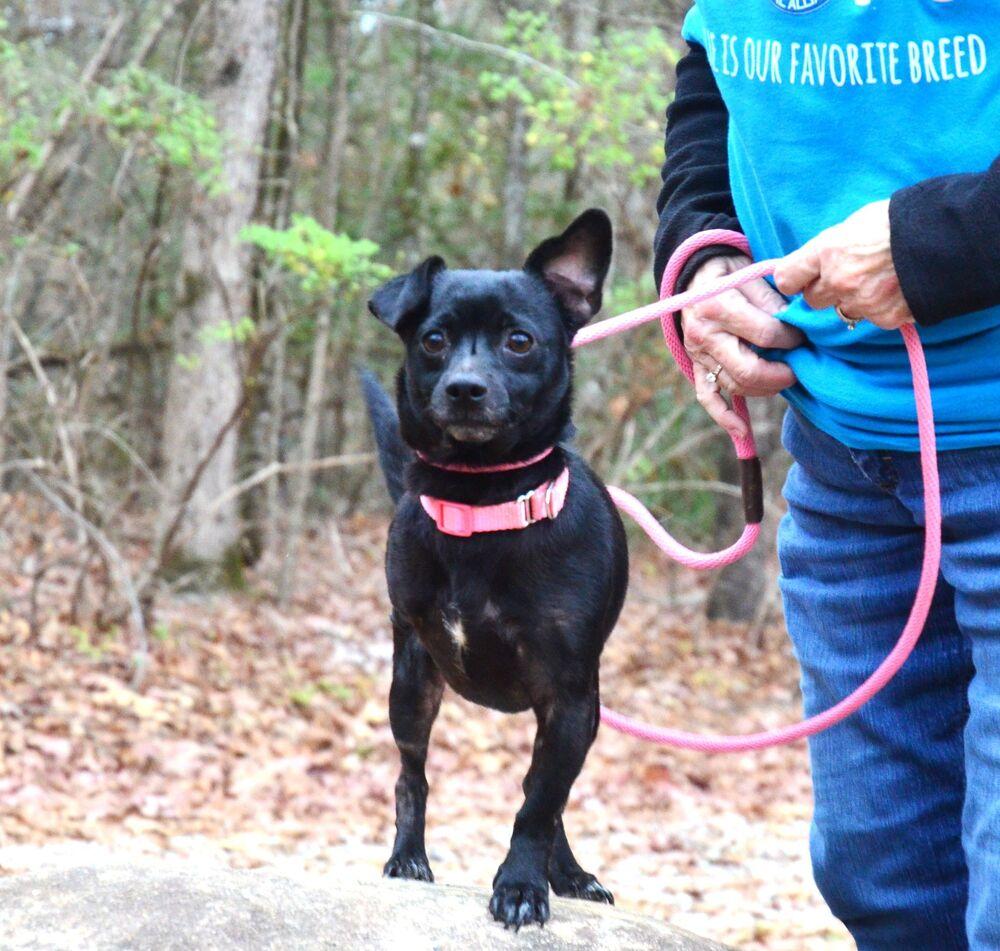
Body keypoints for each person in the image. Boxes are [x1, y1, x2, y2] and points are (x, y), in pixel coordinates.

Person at [653, 4, 1000, 949]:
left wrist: (941, 241)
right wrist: (704, 250)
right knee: (880, 874)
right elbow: (714, 75)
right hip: (843, 467)